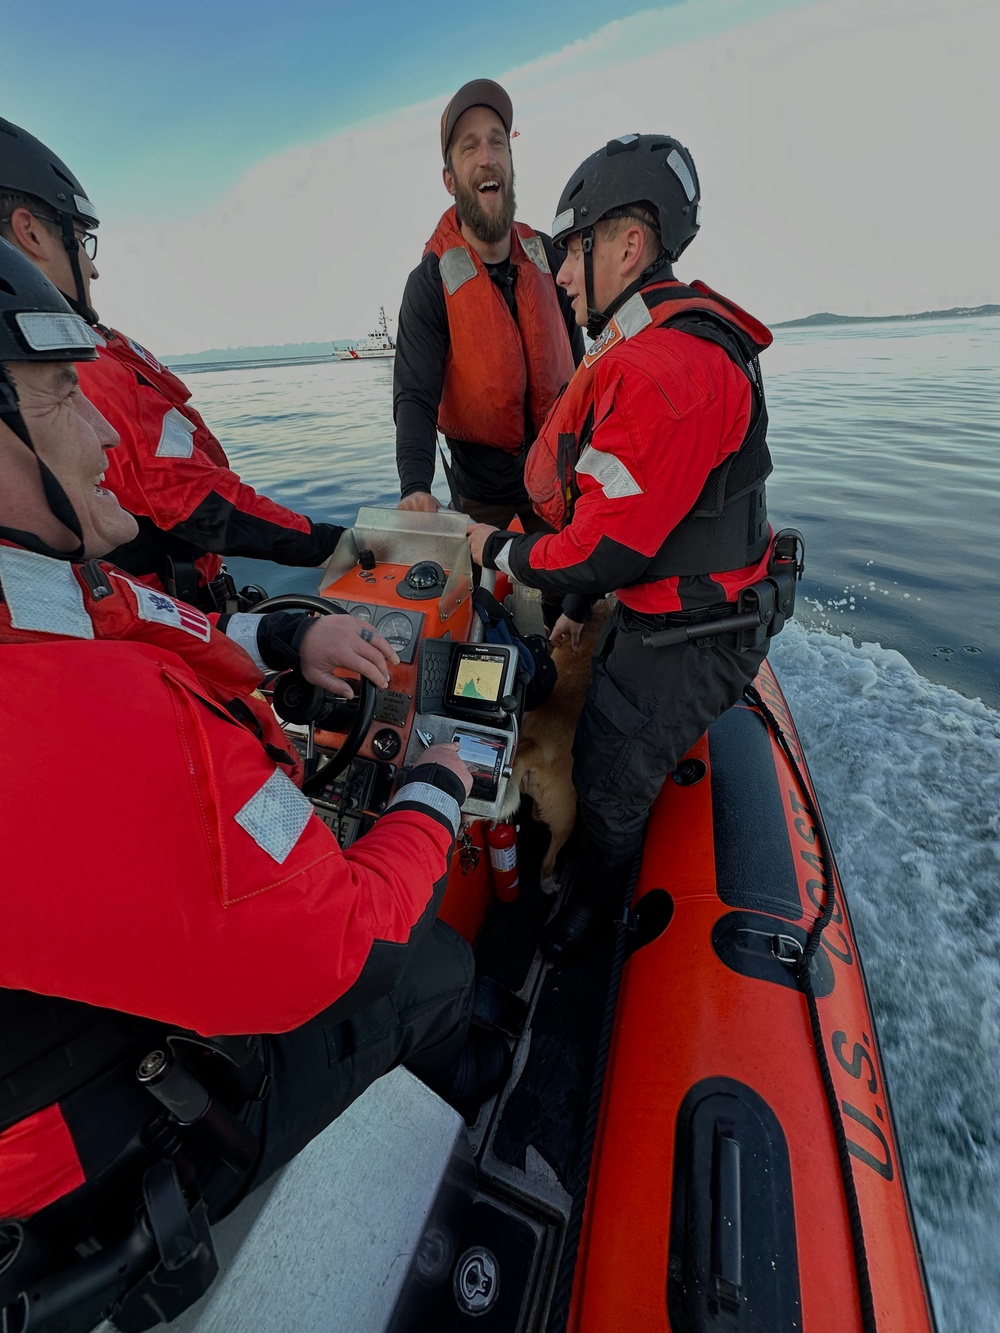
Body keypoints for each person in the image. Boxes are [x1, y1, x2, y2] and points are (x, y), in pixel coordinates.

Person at [0, 239, 507, 1328]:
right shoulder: (89, 718)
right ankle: (493, 1124)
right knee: (428, 968)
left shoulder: (32, 595)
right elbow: (334, 947)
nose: (99, 435)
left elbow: (128, 613)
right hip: (94, 1142)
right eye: (54, 401)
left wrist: (279, 632)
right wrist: (427, 793)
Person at [468, 134, 777, 962]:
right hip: (668, 609)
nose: (561, 275)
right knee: (596, 710)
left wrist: (497, 549)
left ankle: (593, 917)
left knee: (605, 776)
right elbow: (634, 518)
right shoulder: (662, 350)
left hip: (694, 633)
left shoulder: (661, 370)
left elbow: (604, 553)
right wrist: (572, 609)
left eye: (573, 251)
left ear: (628, 245)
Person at [0, 117, 345, 613]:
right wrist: (332, 544)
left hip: (152, 613)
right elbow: (200, 505)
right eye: (79, 239)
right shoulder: (85, 368)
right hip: (165, 615)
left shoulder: (89, 351)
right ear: (30, 233)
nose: (92, 266)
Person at [393, 78, 584, 532]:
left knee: (580, 596)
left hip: (562, 480)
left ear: (511, 163)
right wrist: (415, 487)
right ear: (449, 179)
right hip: (482, 498)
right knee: (480, 597)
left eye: (498, 142)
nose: (487, 156)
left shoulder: (555, 258)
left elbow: (589, 357)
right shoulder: (429, 283)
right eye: (469, 147)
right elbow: (415, 397)